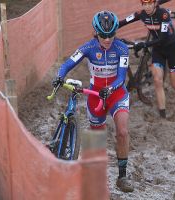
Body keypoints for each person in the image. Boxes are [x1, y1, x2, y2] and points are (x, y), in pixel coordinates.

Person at [52, 11, 134, 193]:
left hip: (116, 93)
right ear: (96, 32)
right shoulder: (88, 47)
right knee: (98, 138)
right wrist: (59, 76)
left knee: (122, 131)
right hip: (95, 95)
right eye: (103, 35)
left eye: (111, 34)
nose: (107, 39)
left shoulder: (121, 49)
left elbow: (121, 77)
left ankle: (122, 176)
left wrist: (111, 89)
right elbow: (67, 64)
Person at [119, 0, 175, 118]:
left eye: (149, 3)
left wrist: (143, 44)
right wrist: (105, 30)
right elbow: (121, 23)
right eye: (144, 4)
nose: (147, 7)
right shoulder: (141, 14)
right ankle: (163, 115)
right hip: (158, 51)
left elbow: (162, 39)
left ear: (155, 3)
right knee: (157, 81)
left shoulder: (163, 14)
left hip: (172, 50)